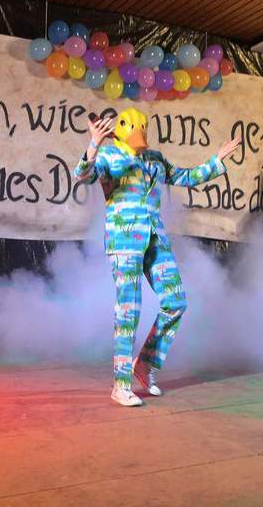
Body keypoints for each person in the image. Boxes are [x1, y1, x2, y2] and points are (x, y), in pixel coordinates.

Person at [74, 108, 241, 407]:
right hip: (125, 241)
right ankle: (120, 385)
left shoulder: (155, 159)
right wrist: (94, 143)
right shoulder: (109, 156)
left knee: (176, 302)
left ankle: (144, 364)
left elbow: (185, 177)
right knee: (129, 310)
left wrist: (217, 160)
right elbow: (83, 175)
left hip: (155, 239)